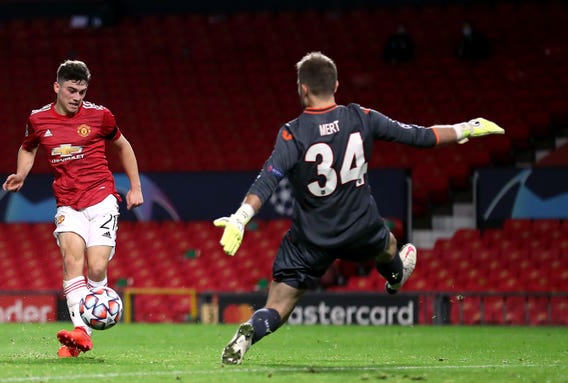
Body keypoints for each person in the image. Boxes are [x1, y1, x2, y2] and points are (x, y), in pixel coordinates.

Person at [214, 52, 504, 365]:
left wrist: (240, 218)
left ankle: (251, 332)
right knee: (390, 244)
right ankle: (394, 277)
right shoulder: (361, 116)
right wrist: (466, 128)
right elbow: (419, 136)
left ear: (302, 89)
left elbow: (268, 178)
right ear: (336, 84)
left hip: (310, 238)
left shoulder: (292, 132)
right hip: (360, 227)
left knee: (279, 304)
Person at [2, 60, 144, 358]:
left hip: (102, 198)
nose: (77, 97)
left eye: (82, 91)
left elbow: (123, 146)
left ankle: (84, 332)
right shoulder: (38, 119)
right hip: (68, 201)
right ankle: (79, 334)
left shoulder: (100, 116)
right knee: (71, 260)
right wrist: (21, 173)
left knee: (96, 267)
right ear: (57, 87)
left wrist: (135, 187)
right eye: (71, 90)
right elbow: (29, 147)